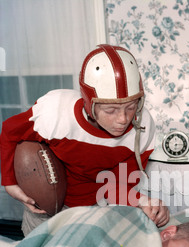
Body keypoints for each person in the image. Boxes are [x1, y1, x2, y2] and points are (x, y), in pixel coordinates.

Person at [0, 44, 169, 236]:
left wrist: (142, 201)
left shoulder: (142, 129)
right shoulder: (56, 113)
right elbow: (10, 131)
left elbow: (115, 186)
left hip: (96, 207)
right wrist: (10, 183)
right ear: (89, 103)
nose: (123, 119)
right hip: (46, 205)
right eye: (111, 110)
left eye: (130, 107)